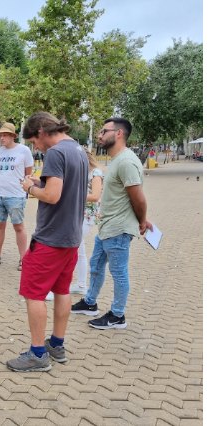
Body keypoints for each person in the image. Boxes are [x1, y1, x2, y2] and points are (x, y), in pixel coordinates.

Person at [5, 112, 88, 372]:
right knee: (62, 291)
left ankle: (38, 353)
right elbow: (66, 187)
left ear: (41, 131)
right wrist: (39, 181)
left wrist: (29, 188)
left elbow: (52, 196)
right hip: (71, 237)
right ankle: (57, 345)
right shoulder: (78, 150)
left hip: (50, 238)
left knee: (34, 294)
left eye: (33, 142)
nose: (36, 148)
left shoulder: (55, 153)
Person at [71, 118, 153, 329]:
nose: (99, 135)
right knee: (96, 266)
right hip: (107, 227)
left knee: (119, 273)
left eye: (103, 131)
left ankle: (118, 316)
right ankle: (89, 302)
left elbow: (138, 198)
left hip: (118, 229)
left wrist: (142, 221)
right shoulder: (116, 160)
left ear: (118, 134)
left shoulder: (126, 161)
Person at [0, 122, 34, 271]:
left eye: (4, 135)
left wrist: (27, 191)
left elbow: (28, 173)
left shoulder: (23, 150)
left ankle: (24, 259)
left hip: (16, 195)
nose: (1, 138)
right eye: (0, 135)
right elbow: (0, 172)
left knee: (18, 226)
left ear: (12, 136)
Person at [69, 148, 104, 295]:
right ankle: (81, 284)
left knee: (70, 249)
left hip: (87, 216)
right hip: (78, 214)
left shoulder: (96, 173)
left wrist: (71, 194)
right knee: (79, 251)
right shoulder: (81, 172)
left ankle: (58, 287)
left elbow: (95, 196)